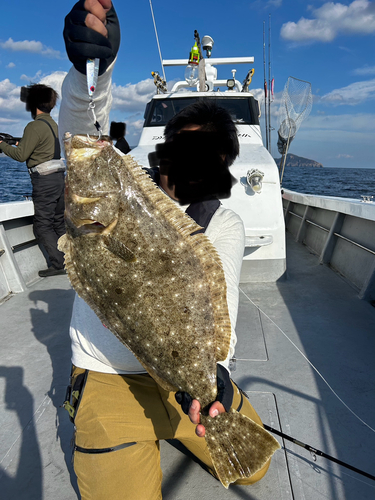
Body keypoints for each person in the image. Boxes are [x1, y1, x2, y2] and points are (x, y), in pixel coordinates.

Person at [59, 1, 272, 498]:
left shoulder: (223, 223)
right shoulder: (124, 183)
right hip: (111, 376)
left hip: (182, 379)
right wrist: (91, 71)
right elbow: (84, 133)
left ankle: (178, 420)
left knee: (251, 466)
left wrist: (212, 379)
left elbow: (223, 312)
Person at [0, 84, 66, 277]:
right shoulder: (54, 125)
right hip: (59, 179)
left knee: (43, 224)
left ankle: (58, 264)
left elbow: (20, 156)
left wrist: (3, 145)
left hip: (44, 182)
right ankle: (70, 260)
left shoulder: (33, 126)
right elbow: (43, 148)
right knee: (58, 222)